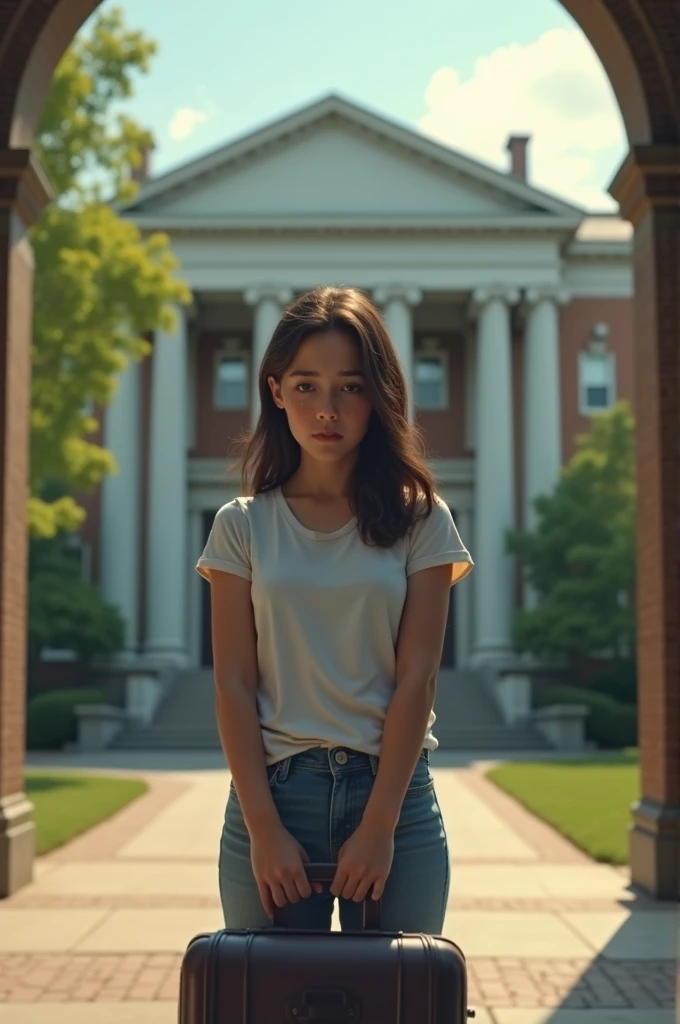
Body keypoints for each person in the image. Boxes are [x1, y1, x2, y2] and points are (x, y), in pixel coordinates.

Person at [196, 285, 473, 934]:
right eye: (306, 386)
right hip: (274, 796)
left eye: (350, 387)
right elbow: (233, 682)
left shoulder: (421, 519)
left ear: (378, 396)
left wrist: (378, 825)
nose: (327, 409)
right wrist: (264, 828)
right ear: (275, 392)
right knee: (266, 1002)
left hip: (395, 799)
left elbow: (418, 680)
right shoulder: (241, 526)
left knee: (403, 1002)